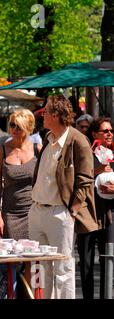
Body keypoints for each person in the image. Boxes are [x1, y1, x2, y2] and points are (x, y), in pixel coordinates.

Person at [29, 94, 98, 299]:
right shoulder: (47, 138)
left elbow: (85, 180)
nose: (42, 115)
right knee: (38, 267)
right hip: (37, 210)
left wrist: (71, 211)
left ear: (57, 114)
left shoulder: (77, 140)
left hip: (60, 213)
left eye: (46, 111)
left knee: (63, 268)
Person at [76, 117, 114, 299]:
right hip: (88, 213)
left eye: (111, 131)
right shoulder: (86, 154)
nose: (109, 134)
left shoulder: (113, 155)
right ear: (94, 134)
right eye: (105, 131)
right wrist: (97, 172)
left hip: (109, 215)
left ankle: (106, 295)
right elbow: (76, 179)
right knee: (86, 262)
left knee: (109, 258)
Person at [0, 109, 41, 240]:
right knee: (12, 256)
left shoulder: (38, 149)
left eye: (18, 126)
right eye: (12, 125)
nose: (14, 129)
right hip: (10, 212)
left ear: (28, 127)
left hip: (34, 211)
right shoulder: (1, 150)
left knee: (32, 256)